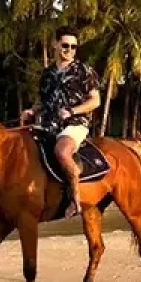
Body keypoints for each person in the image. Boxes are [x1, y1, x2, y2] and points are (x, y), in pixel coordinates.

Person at [20, 26, 101, 218]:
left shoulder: (84, 70)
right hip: (48, 125)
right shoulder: (47, 73)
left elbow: (95, 100)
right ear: (56, 44)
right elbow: (42, 101)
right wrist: (32, 110)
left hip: (74, 125)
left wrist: (72, 111)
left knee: (62, 152)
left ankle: (75, 199)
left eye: (73, 47)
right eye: (65, 45)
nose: (69, 50)